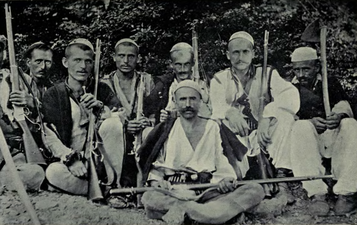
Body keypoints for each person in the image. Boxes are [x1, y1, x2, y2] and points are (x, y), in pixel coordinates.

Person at [139, 80, 265, 224]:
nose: (188, 104)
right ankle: (217, 215)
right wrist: (157, 182)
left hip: (210, 191)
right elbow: (157, 167)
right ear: (174, 101)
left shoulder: (213, 127)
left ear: (200, 101)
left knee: (255, 190)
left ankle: (189, 213)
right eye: (183, 99)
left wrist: (225, 179)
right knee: (149, 197)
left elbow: (222, 161)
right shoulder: (167, 129)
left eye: (192, 99)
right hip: (175, 192)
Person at [209, 31, 300, 202]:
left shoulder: (267, 73)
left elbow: (290, 96)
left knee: (284, 117)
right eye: (235, 52)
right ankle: (236, 177)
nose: (240, 57)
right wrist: (229, 112)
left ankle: (281, 180)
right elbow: (216, 106)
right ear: (228, 55)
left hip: (263, 137)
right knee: (216, 123)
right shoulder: (219, 79)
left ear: (253, 53)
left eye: (245, 52)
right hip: (236, 139)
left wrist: (267, 116)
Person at [42, 38, 124, 198]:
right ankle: (104, 191)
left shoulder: (101, 89)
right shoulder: (53, 94)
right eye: (77, 60)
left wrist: (101, 108)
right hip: (73, 163)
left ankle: (114, 184)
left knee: (113, 124)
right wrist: (70, 159)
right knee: (53, 172)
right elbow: (48, 134)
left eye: (88, 61)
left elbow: (120, 117)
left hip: (101, 161)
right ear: (65, 62)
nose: (82, 66)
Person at [289, 47, 357, 216]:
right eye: (297, 69)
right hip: (310, 142)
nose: (301, 74)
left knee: (350, 124)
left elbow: (344, 105)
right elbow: (286, 117)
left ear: (317, 67)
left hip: (333, 138)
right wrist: (309, 122)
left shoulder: (330, 82)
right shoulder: (290, 88)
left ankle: (346, 193)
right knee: (299, 127)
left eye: (306, 69)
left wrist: (339, 116)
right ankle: (317, 193)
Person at [100, 38, 166, 190]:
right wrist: (124, 124)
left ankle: (150, 182)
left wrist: (145, 122)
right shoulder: (104, 83)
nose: (126, 61)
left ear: (138, 58)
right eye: (121, 56)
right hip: (116, 133)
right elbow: (102, 117)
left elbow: (154, 113)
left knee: (152, 133)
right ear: (114, 57)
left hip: (140, 133)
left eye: (131, 56)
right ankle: (113, 184)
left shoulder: (147, 80)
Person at [0, 36, 45, 191]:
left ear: (4, 53)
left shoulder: (22, 79)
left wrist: (32, 103)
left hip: (15, 151)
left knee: (35, 174)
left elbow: (43, 120)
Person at [0, 41, 54, 147]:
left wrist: (34, 103)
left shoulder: (54, 90)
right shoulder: (14, 81)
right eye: (38, 61)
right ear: (28, 62)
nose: (43, 67)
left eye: (47, 62)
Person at [159, 42, 211, 122]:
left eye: (186, 64)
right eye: (178, 65)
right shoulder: (165, 86)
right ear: (171, 64)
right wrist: (163, 117)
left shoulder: (203, 85)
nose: (183, 69)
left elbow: (209, 113)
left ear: (193, 63)